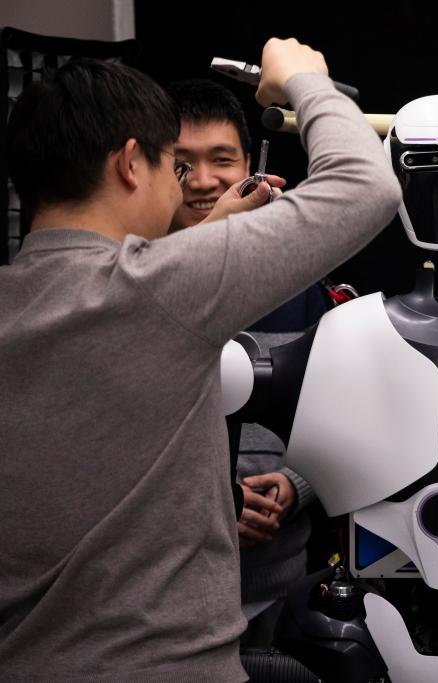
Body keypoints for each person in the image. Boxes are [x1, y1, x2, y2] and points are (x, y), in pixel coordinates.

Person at [0, 37, 401, 681]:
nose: (186, 184)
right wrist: (305, 79)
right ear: (132, 164)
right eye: (174, 166)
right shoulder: (162, 290)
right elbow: (365, 186)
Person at [165, 78, 325, 645]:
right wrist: (211, 508)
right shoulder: (130, 284)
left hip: (281, 591)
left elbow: (344, 410)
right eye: (181, 163)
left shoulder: (298, 276)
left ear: (252, 164)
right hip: (161, 600)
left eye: (221, 159)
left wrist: (294, 485)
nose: (203, 180)